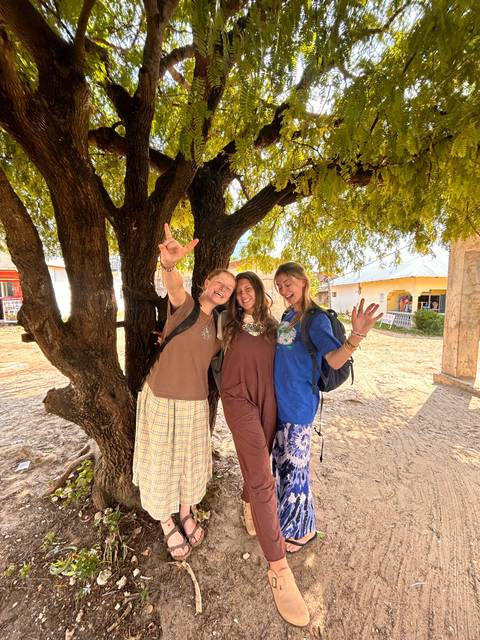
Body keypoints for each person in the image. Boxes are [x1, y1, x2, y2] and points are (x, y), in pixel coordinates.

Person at [133, 224, 236, 560]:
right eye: (219, 283)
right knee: (161, 462)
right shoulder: (186, 305)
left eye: (229, 289)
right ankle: (166, 521)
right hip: (161, 398)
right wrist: (169, 265)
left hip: (194, 404)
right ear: (206, 284)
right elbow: (173, 285)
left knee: (188, 463)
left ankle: (186, 512)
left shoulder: (221, 329)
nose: (223, 289)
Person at [220, 272, 310, 627]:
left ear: (258, 292)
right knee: (262, 476)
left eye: (248, 288)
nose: (243, 295)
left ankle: (247, 503)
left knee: (260, 461)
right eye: (238, 291)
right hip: (237, 399)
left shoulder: (276, 328)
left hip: (268, 401)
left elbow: (300, 349)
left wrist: (350, 341)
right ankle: (278, 569)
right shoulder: (226, 327)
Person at [273, 262, 382, 553]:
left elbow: (334, 360)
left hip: (298, 406)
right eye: (279, 286)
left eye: (288, 283)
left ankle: (303, 530)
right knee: (284, 468)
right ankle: (287, 520)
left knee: (296, 472)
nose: (284, 290)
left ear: (303, 282)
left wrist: (356, 336)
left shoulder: (315, 319)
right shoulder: (287, 315)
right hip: (280, 404)